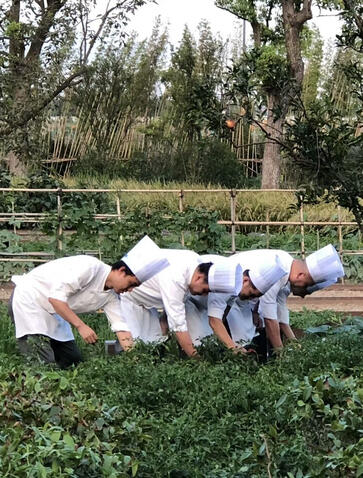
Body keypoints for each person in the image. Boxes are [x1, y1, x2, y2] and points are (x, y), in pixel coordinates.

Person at [7, 236, 169, 368]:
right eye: (131, 283)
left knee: (73, 361)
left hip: (54, 311)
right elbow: (55, 299)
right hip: (30, 300)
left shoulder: (112, 296)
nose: (131, 289)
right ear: (121, 271)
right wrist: (81, 326)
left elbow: (121, 328)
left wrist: (134, 360)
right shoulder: (90, 267)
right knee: (43, 364)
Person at [202, 244, 344, 355]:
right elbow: (270, 319)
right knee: (215, 337)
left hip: (238, 298)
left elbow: (280, 312)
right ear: (300, 275)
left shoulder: (285, 265)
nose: (301, 296)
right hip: (222, 291)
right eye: (306, 286)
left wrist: (294, 344)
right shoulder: (278, 268)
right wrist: (281, 354)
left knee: (241, 338)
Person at [116, 249, 243, 358]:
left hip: (152, 298)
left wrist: (165, 322)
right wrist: (196, 358)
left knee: (153, 342)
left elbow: (175, 306)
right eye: (205, 290)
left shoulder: (193, 262)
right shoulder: (176, 278)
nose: (204, 295)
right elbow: (178, 326)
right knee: (135, 348)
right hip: (132, 296)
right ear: (199, 277)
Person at [185, 254, 288, 352]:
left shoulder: (238, 284)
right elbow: (214, 320)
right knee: (198, 345)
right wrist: (233, 348)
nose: (249, 298)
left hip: (204, 305)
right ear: (246, 280)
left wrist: (227, 343)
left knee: (211, 342)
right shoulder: (227, 280)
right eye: (251, 294)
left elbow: (223, 314)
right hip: (190, 299)